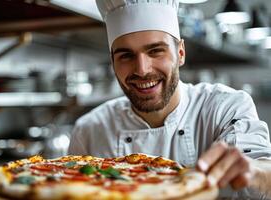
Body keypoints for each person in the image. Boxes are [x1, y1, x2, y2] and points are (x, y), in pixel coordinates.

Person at [69, 0, 271, 198]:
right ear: (112, 61)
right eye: (126, 55)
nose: (142, 70)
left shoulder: (225, 107)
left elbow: (264, 171)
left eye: (155, 51)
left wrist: (252, 170)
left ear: (180, 52)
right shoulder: (89, 130)